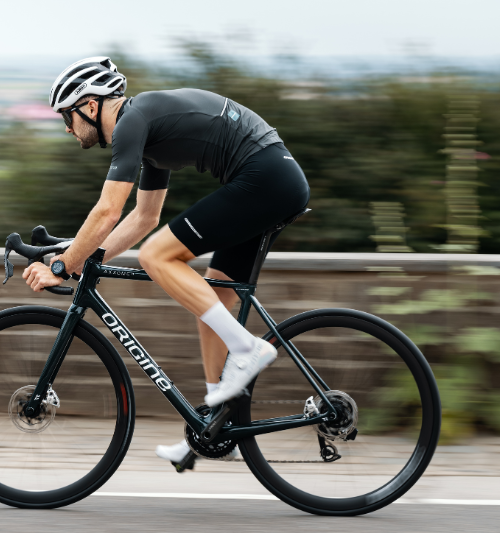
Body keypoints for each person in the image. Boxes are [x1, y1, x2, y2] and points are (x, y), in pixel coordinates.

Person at [23, 57, 310, 466]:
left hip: (265, 179)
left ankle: (247, 348)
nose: (67, 128)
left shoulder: (131, 122)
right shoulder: (148, 132)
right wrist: (84, 255)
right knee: (212, 300)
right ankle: (213, 424)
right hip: (271, 180)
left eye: (67, 117)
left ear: (89, 105)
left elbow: (107, 211)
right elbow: (143, 217)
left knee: (158, 257)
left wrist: (62, 266)